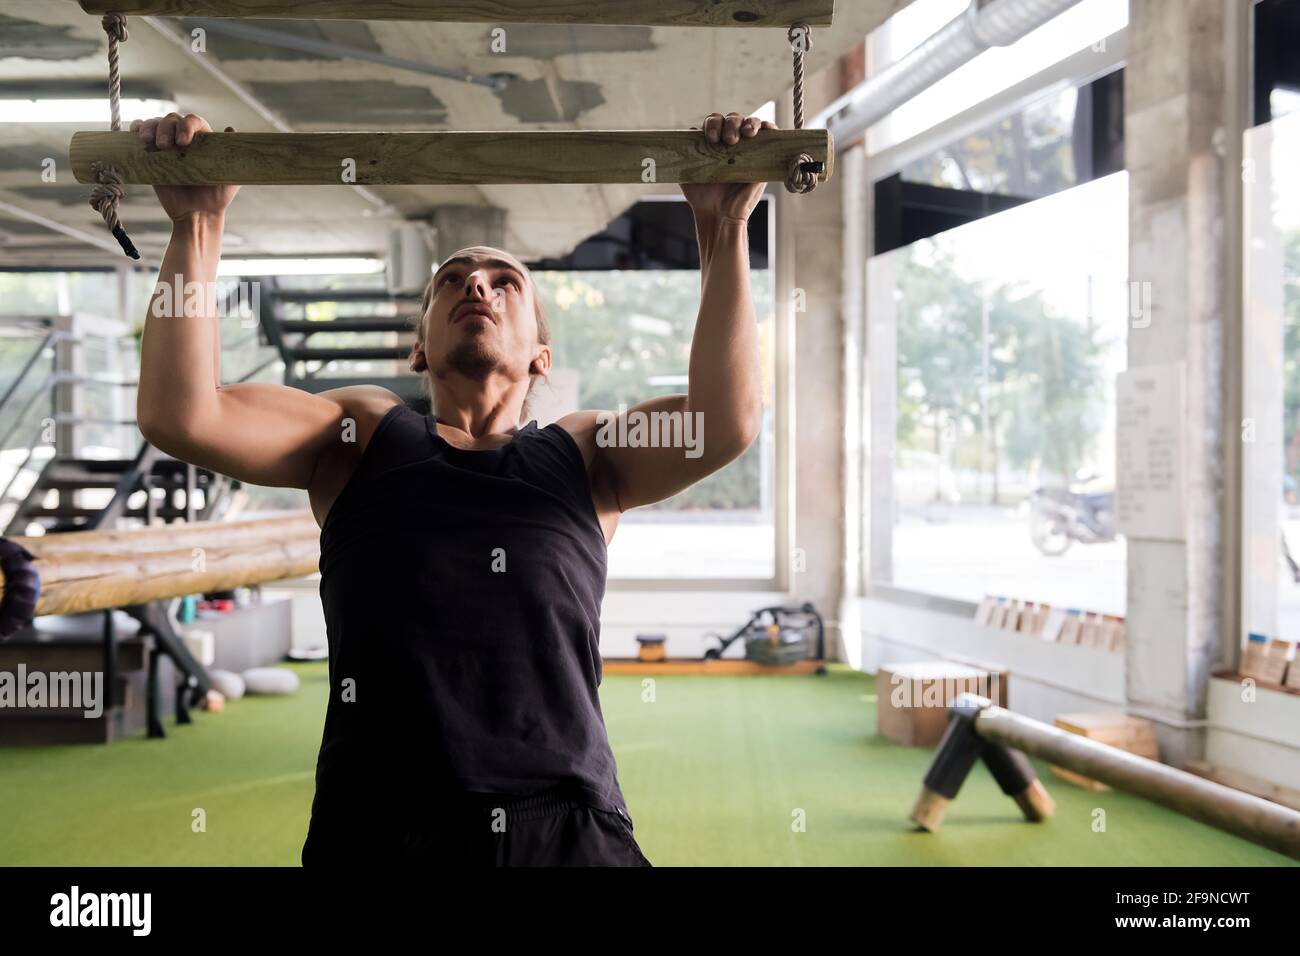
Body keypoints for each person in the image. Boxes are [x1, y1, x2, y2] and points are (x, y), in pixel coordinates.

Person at [131, 110, 770, 866]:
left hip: (565, 826)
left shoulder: (589, 454)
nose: (478, 285)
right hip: (379, 827)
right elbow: (183, 414)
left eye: (506, 282)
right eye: (452, 282)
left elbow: (723, 421)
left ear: (541, 352)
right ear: (419, 342)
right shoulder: (359, 434)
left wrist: (723, 223)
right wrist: (198, 224)